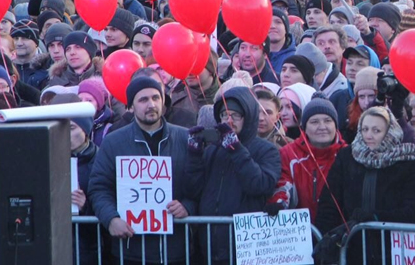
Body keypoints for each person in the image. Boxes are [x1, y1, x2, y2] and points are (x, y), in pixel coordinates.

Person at [88, 76, 196, 264]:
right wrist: (111, 218)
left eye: (156, 98)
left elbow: (199, 184)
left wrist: (188, 205)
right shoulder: (114, 142)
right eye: (143, 99)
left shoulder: (185, 138)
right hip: (130, 251)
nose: (151, 104)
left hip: (177, 250)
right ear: (131, 106)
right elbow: (99, 188)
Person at [315, 107, 415, 264]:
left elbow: (412, 209)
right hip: (352, 250)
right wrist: (322, 242)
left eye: (376, 130)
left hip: (394, 251)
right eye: (365, 129)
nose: (368, 135)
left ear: (389, 132)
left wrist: (375, 217)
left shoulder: (409, 161)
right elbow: (330, 203)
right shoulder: (347, 157)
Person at [186, 86, 281, 265]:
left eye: (235, 115)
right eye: (223, 115)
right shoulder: (213, 150)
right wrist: (194, 155)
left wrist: (236, 148)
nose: (228, 120)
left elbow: (260, 185)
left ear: (249, 116)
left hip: (246, 246)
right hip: (209, 243)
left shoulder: (266, 150)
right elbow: (193, 190)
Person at [268, 94, 347, 219]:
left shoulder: (347, 154)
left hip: (338, 232)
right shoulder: (288, 153)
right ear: (304, 128)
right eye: (314, 122)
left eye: (328, 121)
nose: (322, 127)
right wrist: (279, 201)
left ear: (335, 125)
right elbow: (283, 184)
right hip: (300, 232)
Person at [71, 114, 99, 265]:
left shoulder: (102, 160)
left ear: (85, 130)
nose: (65, 134)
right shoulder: (47, 158)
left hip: (91, 249)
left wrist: (86, 207)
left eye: (71, 128)